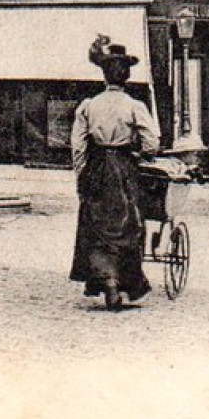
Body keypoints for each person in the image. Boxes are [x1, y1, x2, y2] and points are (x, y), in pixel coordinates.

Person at [69, 37, 161, 311]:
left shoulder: (89, 105)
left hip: (97, 167)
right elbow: (152, 141)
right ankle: (122, 281)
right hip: (123, 169)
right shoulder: (134, 106)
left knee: (96, 226)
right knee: (127, 223)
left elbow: (78, 145)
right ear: (127, 76)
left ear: (104, 75)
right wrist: (144, 153)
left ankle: (107, 282)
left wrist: (81, 174)